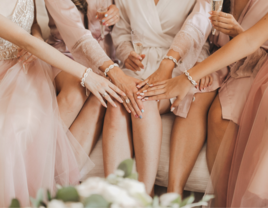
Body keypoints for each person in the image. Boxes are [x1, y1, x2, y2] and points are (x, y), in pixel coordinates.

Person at [0, 0, 125, 206]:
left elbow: (30, 26)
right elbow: (26, 41)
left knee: (30, 120)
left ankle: (53, 193)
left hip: (26, 63)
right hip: (9, 68)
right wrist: (89, 76)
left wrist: (37, 36)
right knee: (11, 130)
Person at [141, 9, 268, 208]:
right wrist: (183, 72)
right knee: (199, 93)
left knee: (225, 114)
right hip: (216, 60)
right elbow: (198, 25)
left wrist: (186, 76)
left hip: (255, 66)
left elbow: (250, 42)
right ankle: (175, 195)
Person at [103, 0, 221, 195]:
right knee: (115, 104)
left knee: (142, 102)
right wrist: (126, 54)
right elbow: (121, 31)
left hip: (177, 67)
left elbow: (199, 30)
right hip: (138, 67)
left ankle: (145, 195)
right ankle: (115, 198)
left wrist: (201, 65)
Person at [45, 0, 145, 154]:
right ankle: (34, 160)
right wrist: (116, 73)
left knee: (104, 97)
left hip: (105, 56)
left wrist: (116, 11)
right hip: (66, 55)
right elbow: (79, 38)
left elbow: (123, 18)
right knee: (78, 89)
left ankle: (65, 174)